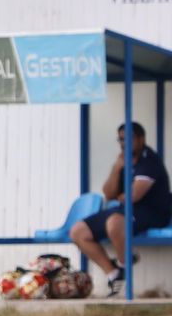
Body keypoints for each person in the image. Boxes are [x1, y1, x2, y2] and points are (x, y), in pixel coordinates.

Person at [70, 122, 172, 295]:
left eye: (129, 139)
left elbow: (134, 196)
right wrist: (116, 168)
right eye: (121, 139)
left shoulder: (150, 160)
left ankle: (124, 263)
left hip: (152, 212)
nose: (124, 143)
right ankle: (114, 273)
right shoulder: (122, 161)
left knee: (114, 223)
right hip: (125, 210)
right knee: (78, 231)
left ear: (141, 139)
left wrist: (124, 196)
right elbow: (109, 193)